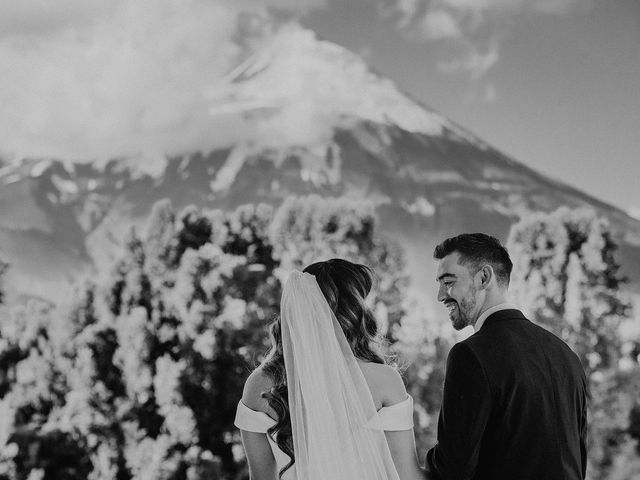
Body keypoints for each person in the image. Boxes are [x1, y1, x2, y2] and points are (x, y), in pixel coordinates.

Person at [234, 258, 424, 480]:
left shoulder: (259, 384)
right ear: (353, 312)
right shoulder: (384, 381)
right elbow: (409, 476)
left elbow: (260, 478)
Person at [424, 233, 588, 480]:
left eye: (448, 282)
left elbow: (452, 469)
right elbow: (578, 459)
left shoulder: (470, 354)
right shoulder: (566, 355)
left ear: (483, 277)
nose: (440, 295)